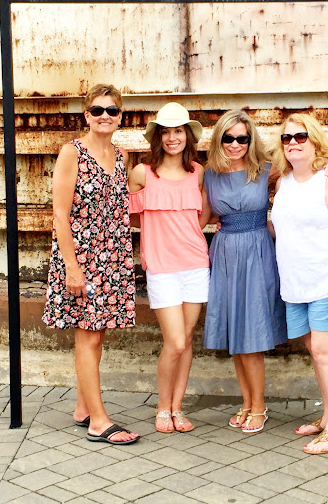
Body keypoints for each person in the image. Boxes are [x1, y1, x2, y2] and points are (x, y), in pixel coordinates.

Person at [42, 84, 139, 445]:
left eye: (111, 111)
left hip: (111, 257)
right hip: (82, 256)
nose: (104, 116)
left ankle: (83, 408)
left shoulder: (122, 155)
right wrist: (71, 266)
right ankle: (98, 420)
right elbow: (60, 215)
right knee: (89, 336)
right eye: (97, 110)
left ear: (120, 117)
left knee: (97, 335)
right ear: (86, 115)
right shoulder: (73, 152)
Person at [270, 113, 328, 455]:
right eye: (287, 138)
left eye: (301, 136)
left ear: (315, 141)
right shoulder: (283, 181)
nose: (293, 142)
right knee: (315, 351)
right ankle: (327, 417)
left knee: (326, 353)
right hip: (298, 283)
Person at [202, 110, 287, 434]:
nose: (235, 144)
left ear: (250, 140)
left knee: (250, 334)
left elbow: (305, 172)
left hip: (257, 252)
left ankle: (259, 407)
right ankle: (247, 403)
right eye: (229, 138)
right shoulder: (210, 173)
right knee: (236, 334)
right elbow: (203, 216)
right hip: (224, 251)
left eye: (242, 138)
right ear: (219, 139)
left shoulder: (267, 169)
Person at [128, 102, 210, 434]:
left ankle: (177, 407)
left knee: (187, 339)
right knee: (174, 341)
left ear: (187, 136)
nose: (172, 138)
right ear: (158, 137)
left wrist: (193, 232)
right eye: (166, 132)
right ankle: (162, 408)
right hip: (162, 267)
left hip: (195, 264)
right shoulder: (142, 173)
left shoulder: (198, 171)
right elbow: (126, 214)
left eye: (178, 131)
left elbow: (202, 212)